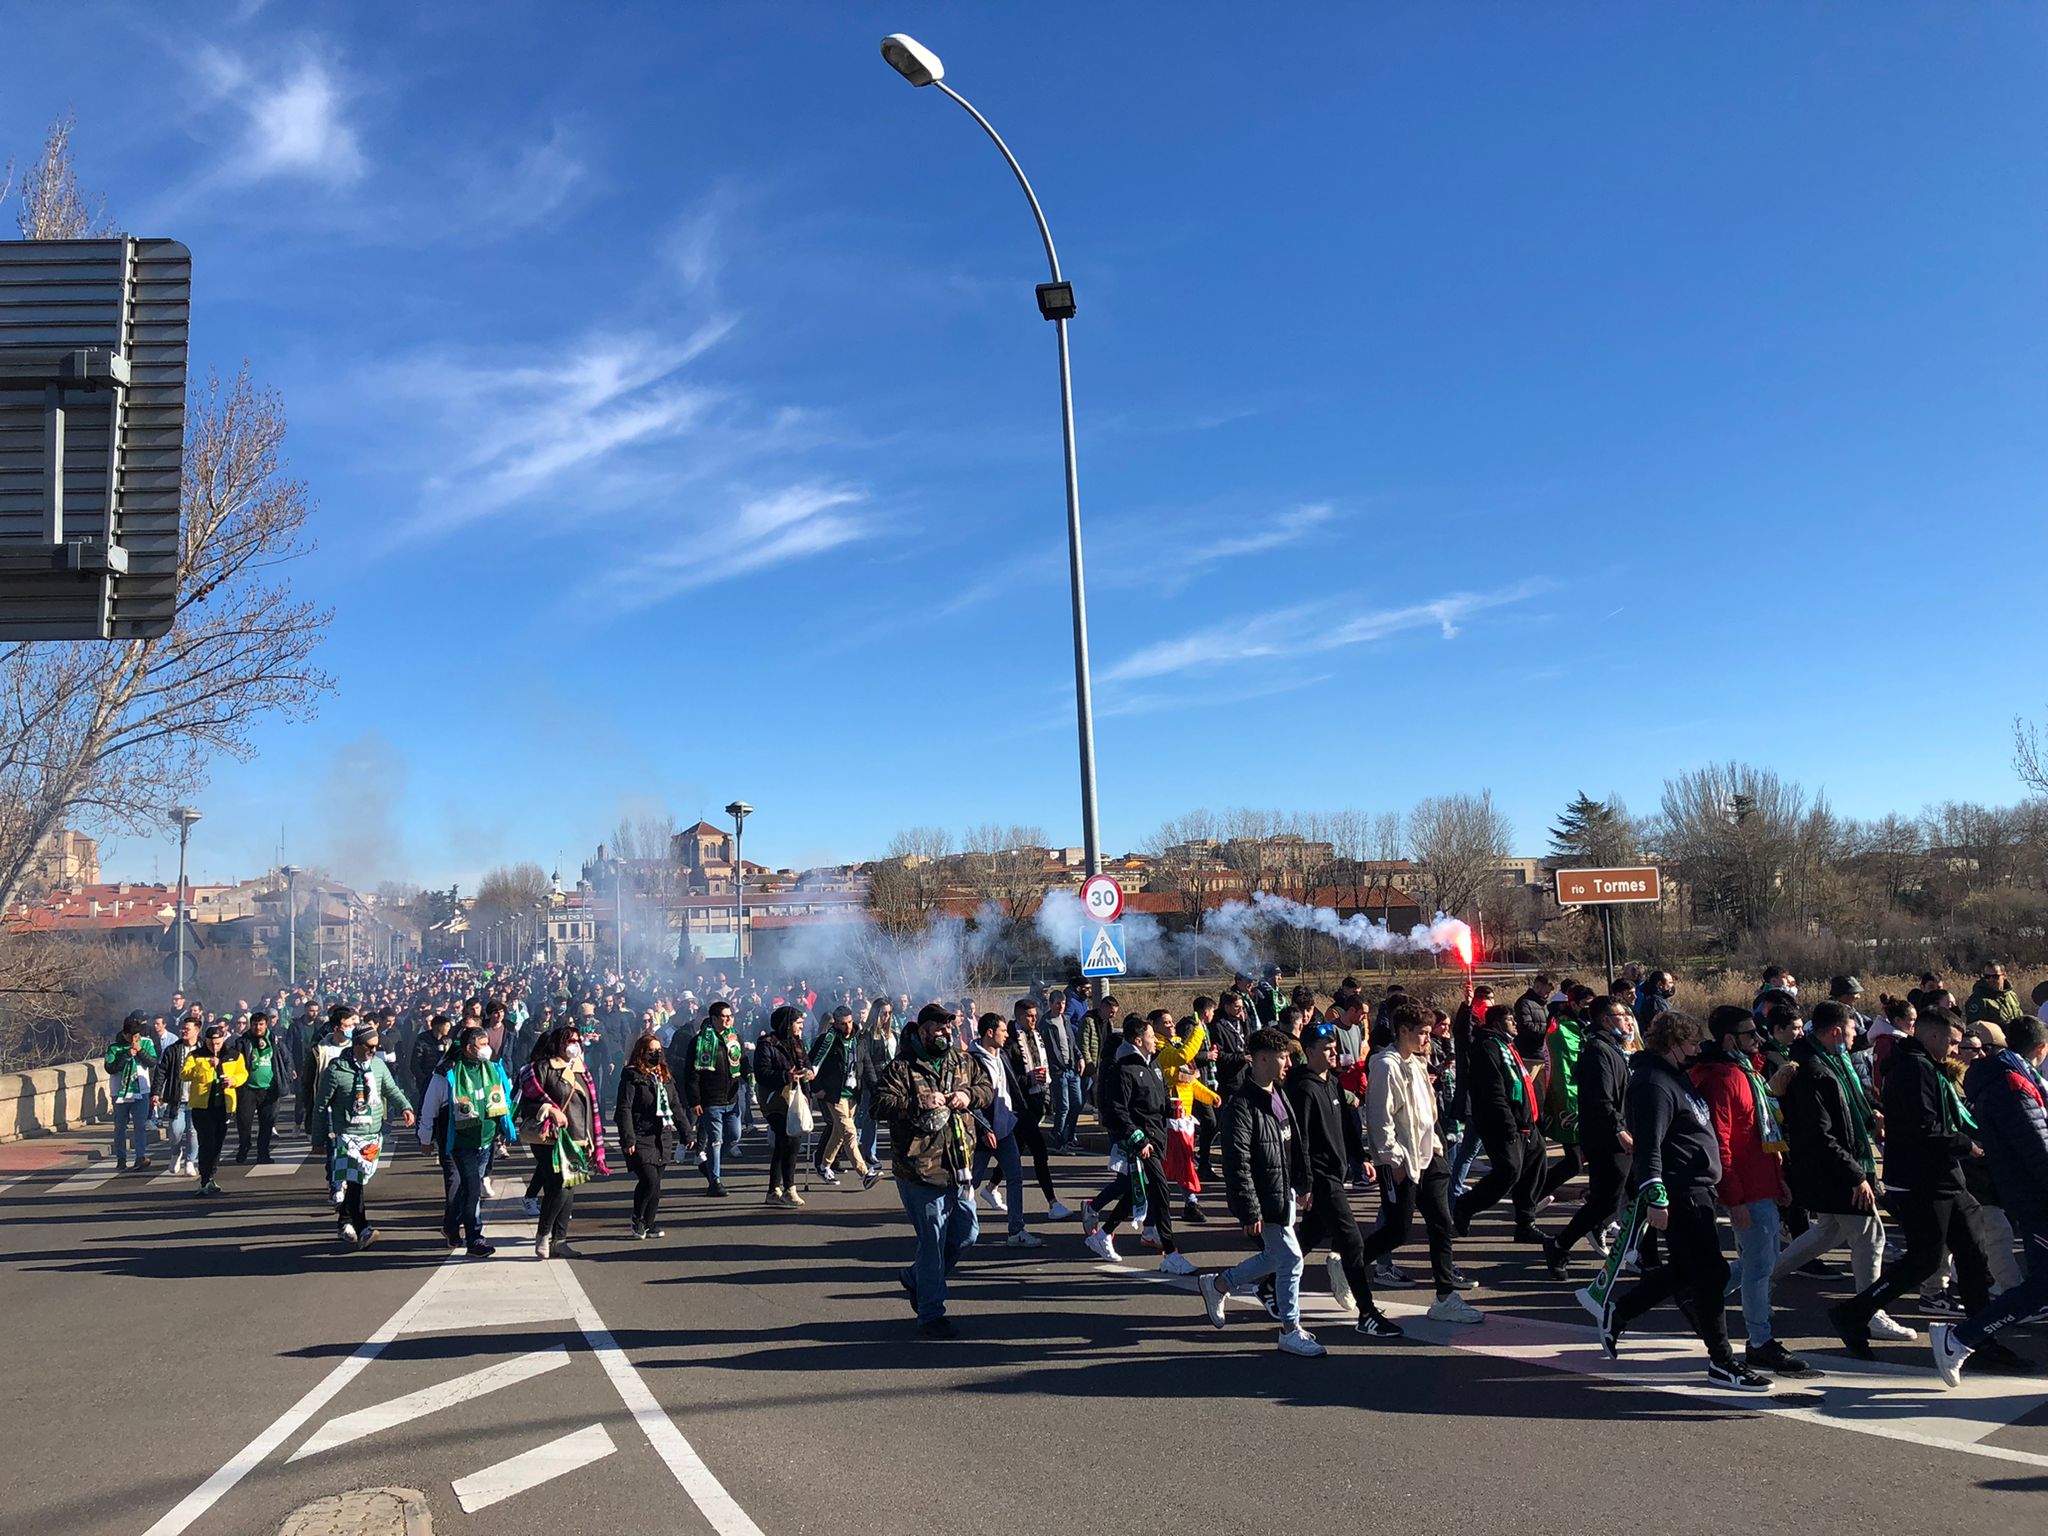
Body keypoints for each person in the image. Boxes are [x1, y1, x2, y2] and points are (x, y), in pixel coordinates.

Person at [1581, 1010, 1771, 1392]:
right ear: (1672, 1044)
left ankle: (1619, 1311)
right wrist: (1656, 1194)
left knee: (1692, 1271)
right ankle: (1722, 1361)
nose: (1695, 1048)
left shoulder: (1675, 1076)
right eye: (1689, 1042)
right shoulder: (1653, 1084)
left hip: (1698, 1188)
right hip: (1679, 1191)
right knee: (1709, 1275)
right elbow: (1649, 1145)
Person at [1771, 1001, 1914, 1342]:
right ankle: (1870, 1311)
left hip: (1833, 1168)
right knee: (1870, 1236)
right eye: (1851, 1033)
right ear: (1835, 1031)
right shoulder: (1813, 1070)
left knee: (1828, 1232)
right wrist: (1856, 1175)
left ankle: (1756, 1276)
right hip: (1834, 1171)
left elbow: (1847, 1111)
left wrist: (1872, 1115)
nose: (1854, 1040)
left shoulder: (1833, 1062)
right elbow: (1819, 1134)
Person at [1691, 1006, 1808, 1377]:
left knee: (1763, 1261)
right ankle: (1759, 1341)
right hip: (1745, 1190)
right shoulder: (1723, 1078)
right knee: (1759, 1267)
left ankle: (1702, 1299)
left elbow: (1761, 1131)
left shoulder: (1747, 1073)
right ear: (1729, 1039)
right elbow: (1721, 1144)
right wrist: (1734, 1198)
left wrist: (1778, 1180)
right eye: (1749, 1034)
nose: (1758, 1039)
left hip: (1762, 1184)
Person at [1196, 1027, 1325, 1357]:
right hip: (1265, 1199)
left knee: (1276, 1257)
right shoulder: (1241, 1105)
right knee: (1291, 1259)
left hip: (1284, 1195)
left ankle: (1219, 1284)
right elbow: (1236, 1161)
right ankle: (1289, 1329)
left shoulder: (1279, 1095)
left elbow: (1295, 1143)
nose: (1287, 1063)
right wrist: (1249, 1209)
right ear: (1262, 1059)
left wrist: (1305, 1184)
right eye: (1282, 1057)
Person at [1935, 1015, 2048, 1385]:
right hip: (2034, 1198)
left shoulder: (2015, 1079)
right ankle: (1961, 1338)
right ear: (2042, 1050)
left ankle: (1962, 1338)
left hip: (2025, 1192)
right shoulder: (2013, 1084)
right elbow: (2036, 1148)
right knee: (2038, 1289)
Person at [870, 1003, 994, 1338]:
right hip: (920, 1168)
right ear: (922, 1029)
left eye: (948, 1028)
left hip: (959, 1165)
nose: (945, 1033)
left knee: (968, 1234)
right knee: (933, 1241)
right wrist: (920, 1102)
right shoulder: (902, 1067)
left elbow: (986, 1088)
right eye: (938, 1028)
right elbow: (878, 1105)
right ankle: (931, 1312)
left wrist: (967, 1096)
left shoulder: (963, 1060)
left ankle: (916, 1278)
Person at [1355, 1001, 1477, 1324]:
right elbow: (1379, 1118)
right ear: (1403, 1031)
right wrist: (1393, 1158)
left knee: (1441, 1223)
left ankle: (1445, 1296)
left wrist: (1436, 1145)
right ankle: (1349, 1263)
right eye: (1422, 1033)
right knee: (1398, 1230)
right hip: (1401, 1161)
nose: (1427, 1039)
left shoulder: (1419, 1064)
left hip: (1429, 1157)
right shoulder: (1385, 1066)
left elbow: (1428, 1111)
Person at [1288, 1022, 1399, 1337]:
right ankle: (1367, 1314)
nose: (1333, 1052)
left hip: (1337, 1172)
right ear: (1309, 1052)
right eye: (1326, 1048)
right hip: (1321, 1177)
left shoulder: (1332, 1082)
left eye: (1334, 1047)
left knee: (1310, 1235)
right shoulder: (1303, 1088)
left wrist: (1361, 1157)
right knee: (1351, 1242)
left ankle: (1268, 1284)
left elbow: (1349, 1128)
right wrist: (1305, 1184)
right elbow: (1302, 1141)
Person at [1084, 1013, 1190, 1274]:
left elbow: (1160, 1097)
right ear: (1138, 1039)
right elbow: (1118, 1110)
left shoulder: (1153, 1065)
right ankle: (1170, 1253)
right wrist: (1136, 1136)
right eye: (1151, 1037)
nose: (1155, 1041)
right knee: (1161, 1192)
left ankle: (1103, 1235)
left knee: (1136, 1191)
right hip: (1141, 1141)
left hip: (1158, 1136)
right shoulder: (1123, 1069)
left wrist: (1172, 1108)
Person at [312, 1021, 416, 1249]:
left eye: (375, 1046)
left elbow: (391, 1089)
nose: (373, 1051)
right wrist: (317, 1139)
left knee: (359, 1179)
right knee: (356, 1179)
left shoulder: (378, 1066)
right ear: (357, 1045)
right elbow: (320, 1106)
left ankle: (344, 1221)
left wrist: (406, 1107)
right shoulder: (336, 1070)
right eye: (369, 1046)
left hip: (372, 1133)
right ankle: (363, 1228)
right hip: (347, 1134)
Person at [418, 1025, 515, 1257]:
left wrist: (504, 1126)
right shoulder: (447, 1074)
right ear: (470, 1048)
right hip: (461, 1142)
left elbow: (505, 1098)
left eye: (487, 1044)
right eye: (482, 1045)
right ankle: (475, 1240)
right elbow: (429, 1107)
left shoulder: (494, 1069)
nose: (487, 1049)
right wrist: (425, 1137)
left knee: (466, 1190)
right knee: (472, 1189)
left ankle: (450, 1224)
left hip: (486, 1139)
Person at [1453, 1003, 1545, 1244]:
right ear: (1496, 1023)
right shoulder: (1487, 1046)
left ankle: (1526, 1223)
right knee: (1508, 1172)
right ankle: (1466, 1205)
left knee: (1534, 1165)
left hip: (1527, 1123)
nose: (1515, 1022)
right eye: (1509, 1019)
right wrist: (1508, 1123)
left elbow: (1523, 1083)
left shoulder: (1508, 1046)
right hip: (1502, 1125)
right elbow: (1493, 1090)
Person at [519, 1023, 602, 1260]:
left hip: (578, 1138)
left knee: (569, 1186)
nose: (574, 1045)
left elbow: (589, 1107)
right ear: (558, 1043)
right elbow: (527, 1102)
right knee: (559, 1186)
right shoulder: (542, 1068)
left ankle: (560, 1240)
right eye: (569, 1040)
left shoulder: (581, 1069)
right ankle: (543, 1235)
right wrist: (550, 1110)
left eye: (577, 1040)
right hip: (550, 1138)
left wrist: (592, 1138)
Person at [969, 1013, 1042, 1247]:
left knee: (1015, 1177)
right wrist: (983, 1128)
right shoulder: (972, 1061)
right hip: (984, 1134)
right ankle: (955, 1226)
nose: (1007, 1034)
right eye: (1003, 1030)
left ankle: (1016, 1231)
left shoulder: (1001, 1055)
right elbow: (971, 1101)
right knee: (970, 1182)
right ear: (990, 1033)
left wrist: (1022, 1109)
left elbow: (1011, 1085)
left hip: (1006, 1129)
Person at [615, 1034, 690, 1239]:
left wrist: (686, 1132)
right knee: (648, 1180)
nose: (656, 1054)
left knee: (656, 1184)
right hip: (641, 1135)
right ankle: (637, 1218)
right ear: (641, 1052)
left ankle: (649, 1222)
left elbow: (675, 1106)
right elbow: (624, 1109)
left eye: (659, 1051)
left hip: (662, 1136)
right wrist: (628, 1138)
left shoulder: (664, 1075)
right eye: (651, 1051)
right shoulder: (632, 1076)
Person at [1158, 1008, 1221, 1226]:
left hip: (1184, 1116)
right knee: (1182, 1162)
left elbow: (1190, 1081)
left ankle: (1183, 1202)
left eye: (1171, 1020)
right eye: (1165, 1022)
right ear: (1154, 1026)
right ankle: (1190, 1203)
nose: (1171, 1024)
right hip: (1168, 1116)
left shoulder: (1175, 1042)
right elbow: (1182, 1063)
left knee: (1178, 1163)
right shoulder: (1159, 1047)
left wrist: (1210, 1096)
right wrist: (1199, 1031)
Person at [809, 1005, 879, 1189]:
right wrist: (816, 1088)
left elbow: (867, 1065)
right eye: (842, 1023)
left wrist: (876, 1089)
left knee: (839, 1134)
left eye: (849, 1022)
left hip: (852, 1094)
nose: (847, 1027)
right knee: (850, 1132)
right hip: (834, 1094)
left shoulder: (860, 1039)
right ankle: (865, 1173)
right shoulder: (828, 1040)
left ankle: (824, 1166)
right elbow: (812, 1064)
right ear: (836, 1023)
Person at [752, 1006, 813, 1207]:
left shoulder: (798, 1043)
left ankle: (773, 1190)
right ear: (787, 1024)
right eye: (798, 1022)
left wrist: (808, 1073)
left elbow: (806, 1063)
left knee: (783, 1143)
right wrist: (786, 1076)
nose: (801, 1026)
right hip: (775, 1100)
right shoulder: (766, 1045)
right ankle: (789, 1188)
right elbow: (762, 1074)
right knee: (790, 1140)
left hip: (795, 1098)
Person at [682, 999, 744, 1196]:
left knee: (734, 1136)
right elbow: (692, 1074)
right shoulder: (699, 1041)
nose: (728, 1020)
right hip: (711, 1100)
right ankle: (715, 1182)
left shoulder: (734, 1038)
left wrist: (749, 1073)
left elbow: (742, 1061)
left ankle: (708, 1165)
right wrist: (694, 1101)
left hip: (731, 1098)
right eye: (724, 1017)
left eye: (730, 1016)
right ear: (714, 1018)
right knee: (715, 1141)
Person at [181, 1022, 247, 1196]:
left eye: (218, 1043)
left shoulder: (233, 1055)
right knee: (206, 1141)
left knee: (218, 1143)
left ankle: (211, 1175)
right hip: (202, 1106)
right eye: (211, 1043)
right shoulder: (196, 1055)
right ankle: (204, 1179)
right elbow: (184, 1074)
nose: (215, 1046)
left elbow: (243, 1073)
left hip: (223, 1105)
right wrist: (205, 1066)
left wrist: (233, 1080)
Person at [104, 1015, 158, 1172]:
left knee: (140, 1125)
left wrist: (140, 1051)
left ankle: (140, 1156)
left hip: (141, 1090)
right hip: (120, 1092)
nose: (135, 1039)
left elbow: (152, 1062)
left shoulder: (146, 1043)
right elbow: (110, 1068)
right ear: (125, 1034)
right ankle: (121, 1157)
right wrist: (127, 1055)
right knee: (120, 1126)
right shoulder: (114, 1048)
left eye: (137, 1036)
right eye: (132, 1036)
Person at [228, 1010, 282, 1164]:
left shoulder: (274, 1040)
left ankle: (263, 1153)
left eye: (261, 1024)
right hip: (247, 1089)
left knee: (267, 1123)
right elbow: (233, 1060)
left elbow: (284, 1057)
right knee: (244, 1122)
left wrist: (289, 1071)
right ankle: (244, 1145)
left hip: (269, 1088)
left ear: (266, 1025)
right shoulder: (242, 1042)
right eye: (254, 1024)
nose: (258, 1027)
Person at [152, 1014, 199, 1177]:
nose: (184, 1031)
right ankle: (175, 1152)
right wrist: (156, 1092)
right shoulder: (172, 1050)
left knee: (193, 1132)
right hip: (176, 1098)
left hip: (197, 1099)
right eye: (183, 1028)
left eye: (187, 1029)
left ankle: (190, 1161)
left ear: (196, 1031)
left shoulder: (202, 1050)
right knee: (174, 1131)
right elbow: (161, 1072)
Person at [1966, 960, 2025, 1029]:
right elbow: (1975, 1028)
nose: (1991, 979)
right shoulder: (1978, 1000)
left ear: (2004, 976)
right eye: (1987, 976)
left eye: (1995, 976)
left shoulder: (2011, 995)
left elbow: (2020, 1017)